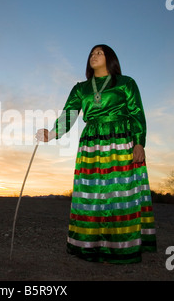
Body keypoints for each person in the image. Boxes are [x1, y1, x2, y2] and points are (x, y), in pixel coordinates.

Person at [36, 44, 156, 264]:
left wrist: (139, 143)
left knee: (118, 190)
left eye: (99, 53)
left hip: (120, 140)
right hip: (91, 141)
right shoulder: (80, 88)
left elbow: (137, 113)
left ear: (110, 58)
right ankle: (88, 246)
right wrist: (51, 134)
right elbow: (69, 115)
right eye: (92, 53)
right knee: (91, 191)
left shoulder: (126, 83)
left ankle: (122, 248)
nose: (94, 56)